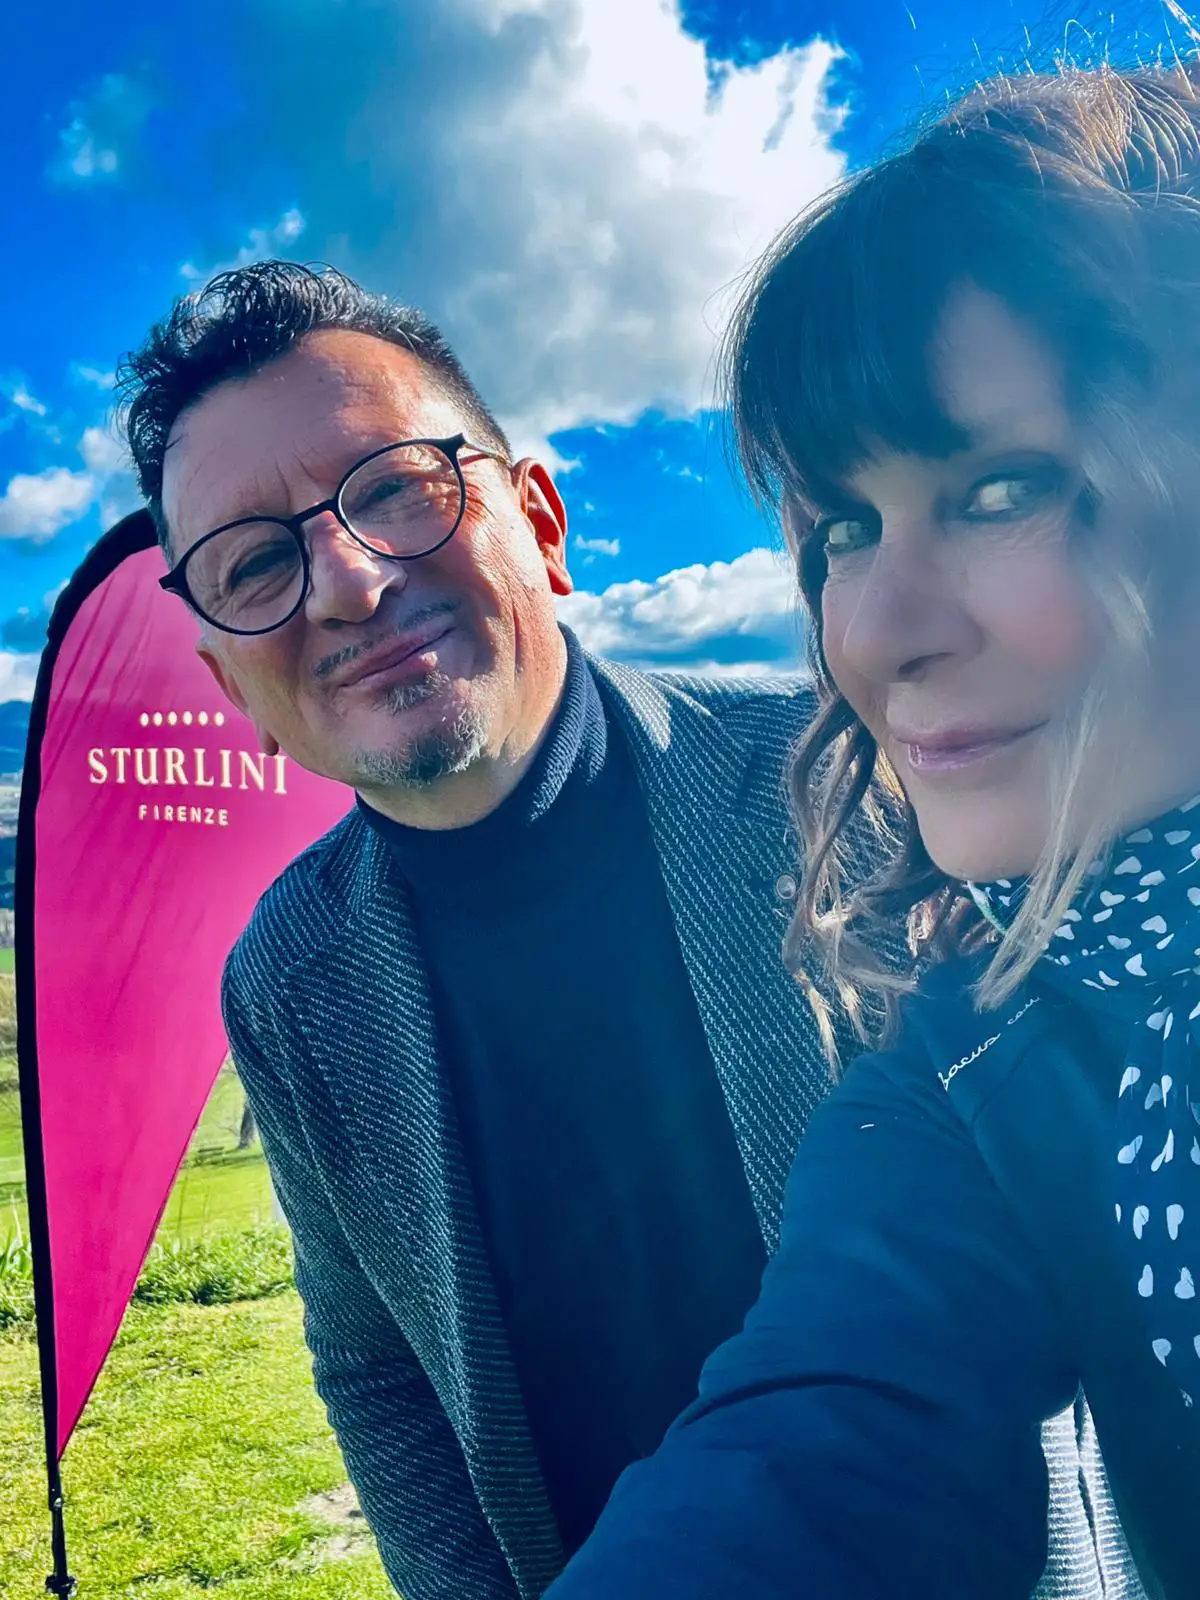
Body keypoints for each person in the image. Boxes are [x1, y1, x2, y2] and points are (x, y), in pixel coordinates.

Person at [119, 261, 1129, 1600]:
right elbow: (374, 1365)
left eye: (397, 490)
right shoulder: (291, 981)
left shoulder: (855, 779)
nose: (349, 583)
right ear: (228, 685)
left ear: (540, 522)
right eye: (255, 563)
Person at [540, 62, 1200, 1600]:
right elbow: (819, 1437)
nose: (877, 632)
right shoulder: (993, 1053)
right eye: (843, 528)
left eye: (1002, 488)